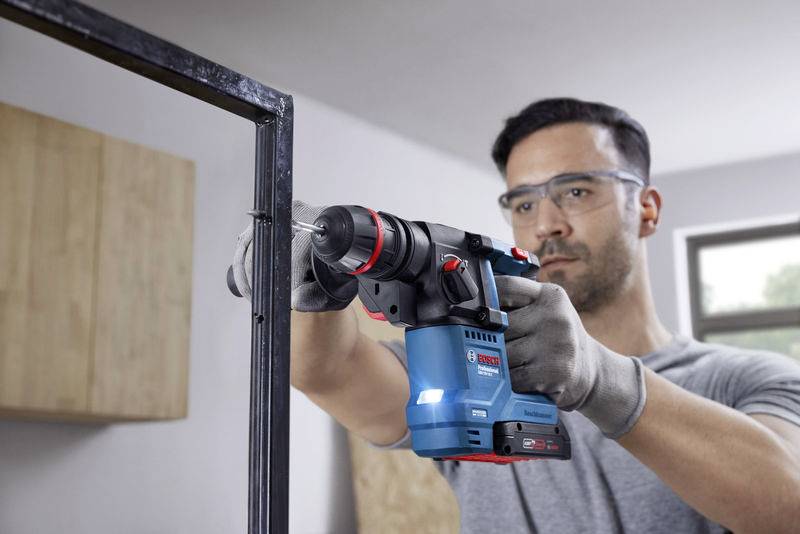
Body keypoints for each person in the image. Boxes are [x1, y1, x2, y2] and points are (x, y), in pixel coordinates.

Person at [232, 98, 800, 533]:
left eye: (575, 192)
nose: (546, 223)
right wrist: (313, 284)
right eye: (524, 202)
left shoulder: (744, 378)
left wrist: (600, 378)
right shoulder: (468, 366)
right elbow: (327, 370)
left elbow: (788, 504)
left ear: (646, 209)